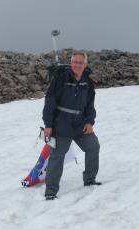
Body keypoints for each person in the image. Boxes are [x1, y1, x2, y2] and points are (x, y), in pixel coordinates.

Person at [42, 51, 101, 200]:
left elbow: (90, 105)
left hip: (81, 124)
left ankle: (89, 180)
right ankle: (50, 191)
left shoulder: (88, 81)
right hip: (61, 124)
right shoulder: (60, 79)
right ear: (71, 63)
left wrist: (89, 121)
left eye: (80, 62)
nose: (77, 65)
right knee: (57, 156)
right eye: (74, 62)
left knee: (93, 146)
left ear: (85, 64)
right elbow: (50, 101)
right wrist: (48, 124)